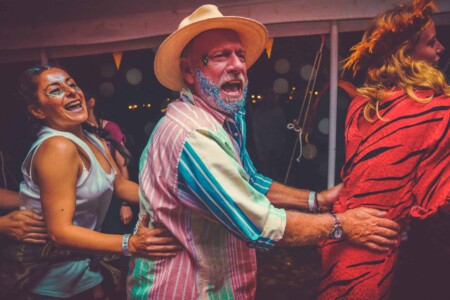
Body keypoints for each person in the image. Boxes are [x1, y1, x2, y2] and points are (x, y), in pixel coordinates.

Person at [127, 5, 400, 299]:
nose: (237, 66)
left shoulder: (223, 120)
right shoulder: (191, 135)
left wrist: (315, 200)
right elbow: (259, 223)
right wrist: (341, 226)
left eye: (240, 55)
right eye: (221, 56)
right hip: (183, 290)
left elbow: (250, 181)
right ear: (188, 71)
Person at [0, 64, 180, 299]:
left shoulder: (91, 138)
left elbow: (120, 186)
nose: (71, 91)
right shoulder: (57, 147)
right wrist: (130, 244)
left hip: (83, 271)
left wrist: (174, 200)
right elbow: (60, 233)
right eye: (55, 90)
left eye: (72, 84)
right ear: (37, 111)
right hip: (48, 282)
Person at [318, 0, 449, 298]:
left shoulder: (361, 105)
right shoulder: (436, 110)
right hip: (373, 244)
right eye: (431, 43)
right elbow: (435, 197)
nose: (440, 47)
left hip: (340, 235)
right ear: (406, 55)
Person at [252, 88, 286, 181]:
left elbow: (281, 131)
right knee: (266, 176)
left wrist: (281, 148)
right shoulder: (259, 112)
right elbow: (256, 133)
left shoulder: (278, 111)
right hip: (265, 150)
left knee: (277, 175)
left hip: (277, 150)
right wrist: (261, 151)